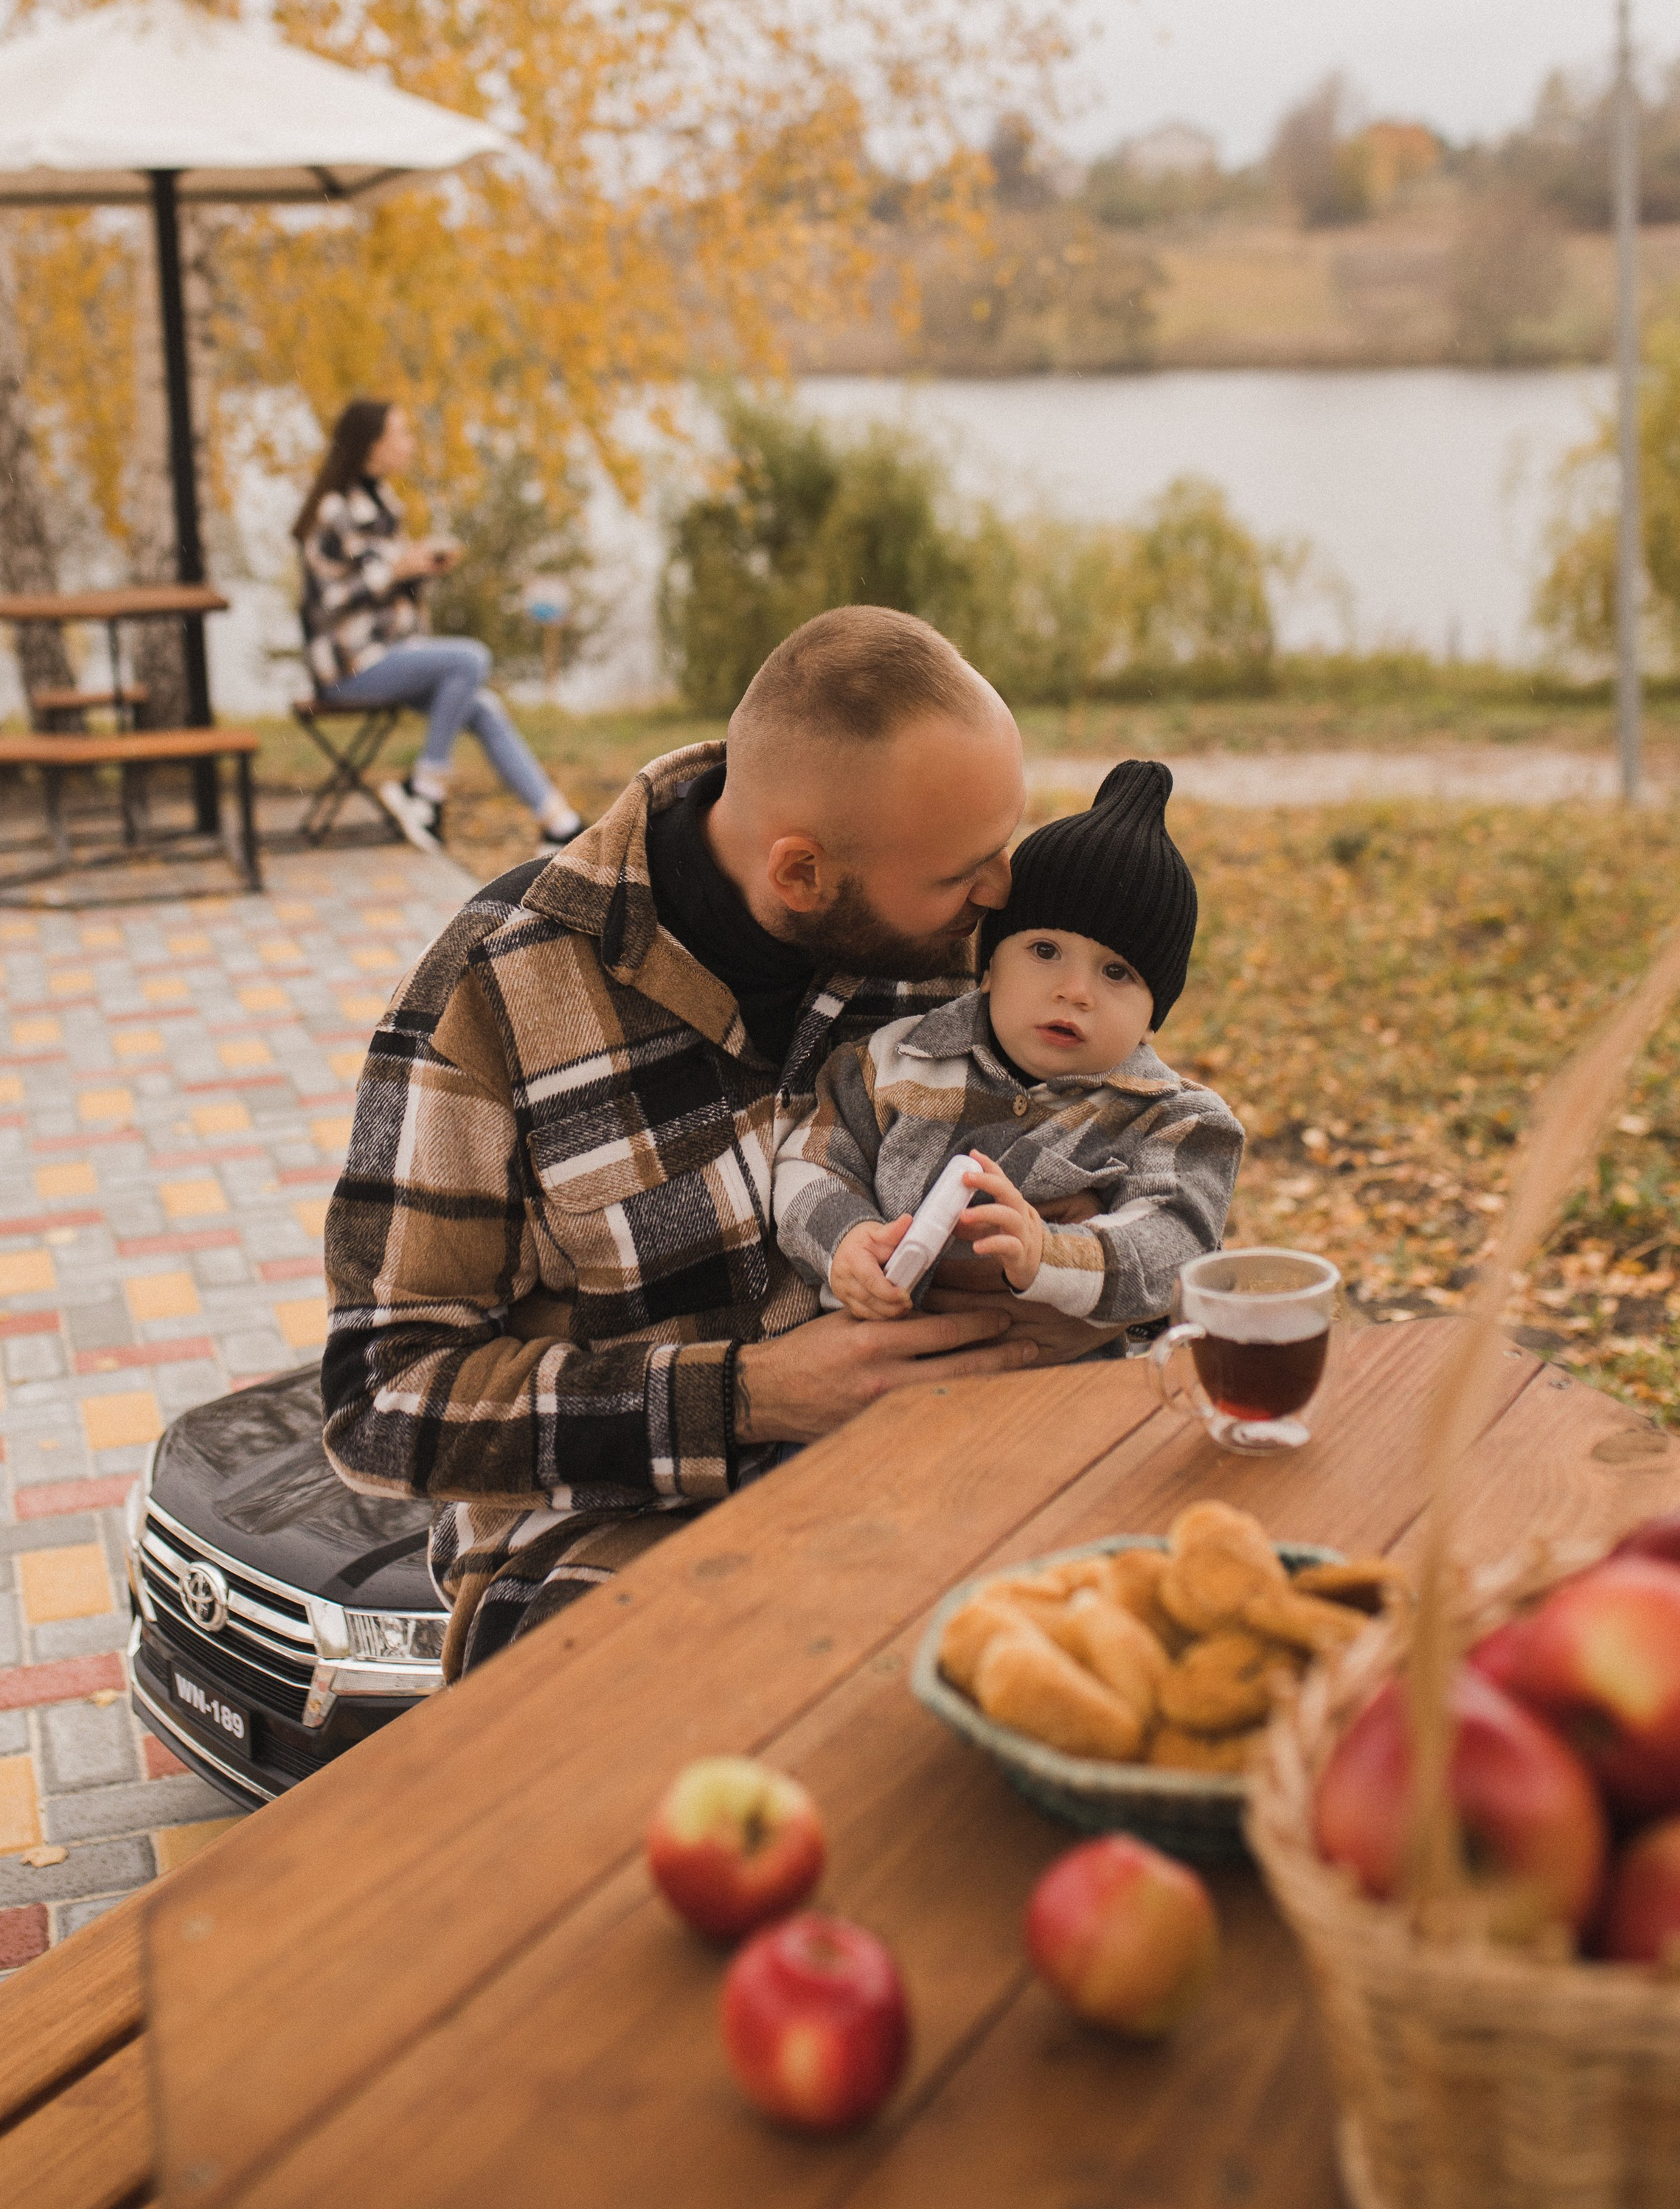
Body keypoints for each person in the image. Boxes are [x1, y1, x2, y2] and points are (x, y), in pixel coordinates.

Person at [322, 605, 1052, 1679]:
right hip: (611, 1556)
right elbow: (380, 1403)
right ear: (800, 875)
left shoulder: (957, 935)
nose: (1000, 894)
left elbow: (1122, 1153)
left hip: (942, 1470)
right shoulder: (487, 992)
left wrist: (1062, 1234)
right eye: (962, 874)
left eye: (1004, 847)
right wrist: (748, 1395)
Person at [774, 760, 1244, 1357]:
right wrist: (845, 1239)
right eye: (1045, 950)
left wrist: (1050, 1252)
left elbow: (1176, 1241)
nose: (1075, 991)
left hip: (1062, 1400)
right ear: (989, 965)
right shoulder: (889, 1063)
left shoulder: (1176, 1120)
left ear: (1154, 1016)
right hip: (888, 1383)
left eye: (1117, 972)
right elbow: (810, 1159)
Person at [293, 395, 585, 858]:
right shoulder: (334, 510)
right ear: (372, 445)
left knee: (482, 704)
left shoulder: (383, 502)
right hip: (347, 668)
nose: (410, 444)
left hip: (389, 656)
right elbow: (325, 603)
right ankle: (424, 791)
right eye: (401, 434)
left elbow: (384, 584)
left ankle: (559, 823)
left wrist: (417, 569)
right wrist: (398, 570)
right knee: (470, 658)